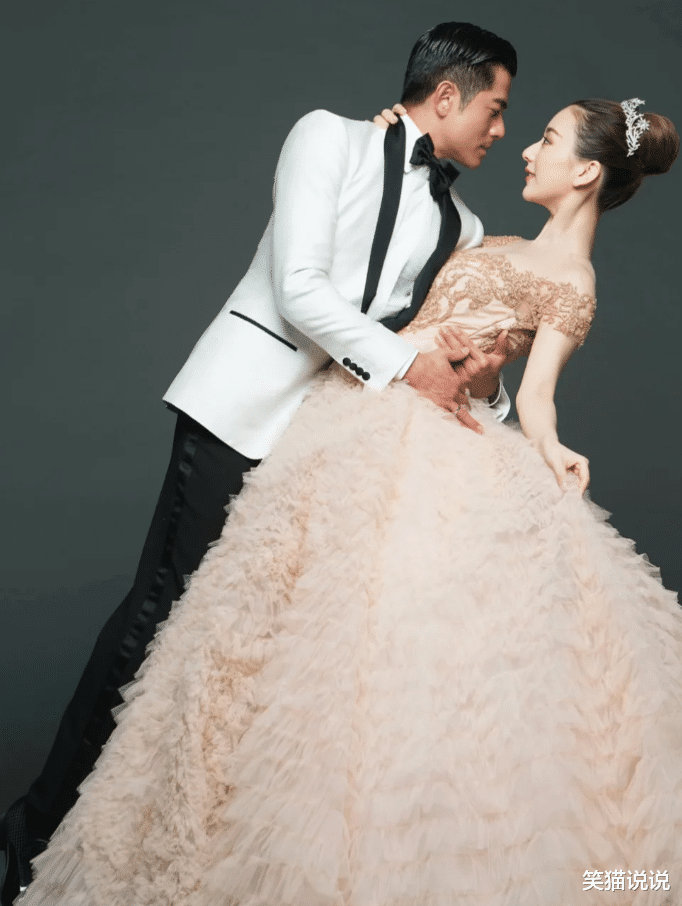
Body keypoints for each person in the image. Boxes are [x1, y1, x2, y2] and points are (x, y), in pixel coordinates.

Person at [15, 96, 680, 905]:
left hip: (428, 445)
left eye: (545, 139)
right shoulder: (487, 237)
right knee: (263, 624)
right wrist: (386, 139)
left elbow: (534, 399)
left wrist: (546, 442)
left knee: (379, 643)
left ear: (585, 172)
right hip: (349, 415)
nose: (524, 149)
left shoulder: (573, 281)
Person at [0, 22, 518, 903]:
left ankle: (168, 856)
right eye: (495, 109)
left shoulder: (463, 226)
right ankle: (38, 828)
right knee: (160, 615)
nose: (501, 130)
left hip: (327, 449)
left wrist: (488, 388)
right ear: (446, 95)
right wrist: (408, 365)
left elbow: (449, 350)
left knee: (251, 653)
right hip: (242, 411)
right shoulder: (329, 137)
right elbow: (299, 286)